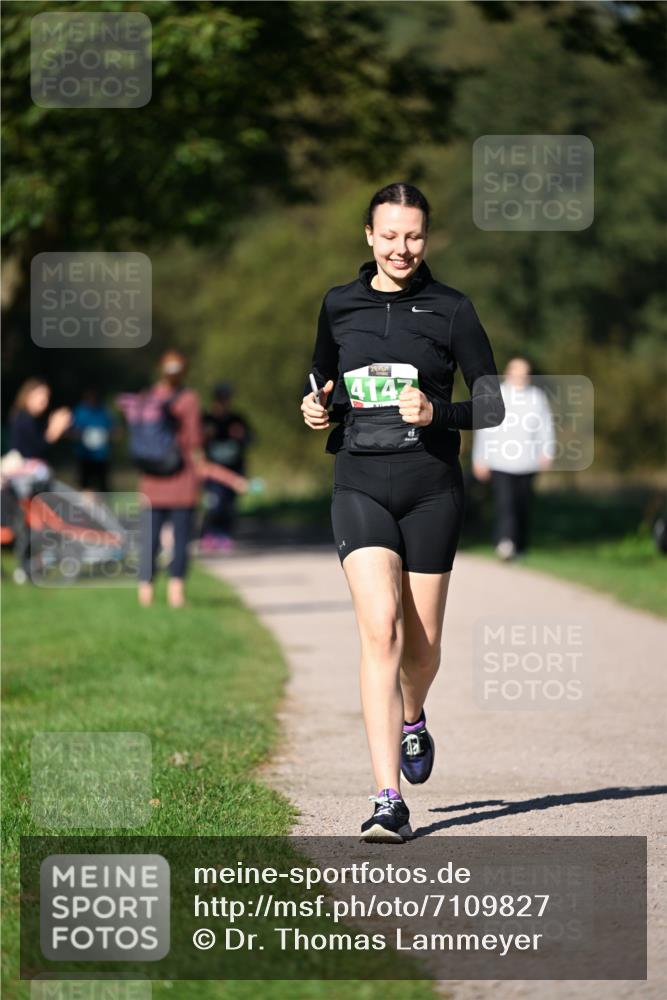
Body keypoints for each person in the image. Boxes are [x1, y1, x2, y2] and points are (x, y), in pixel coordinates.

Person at [300, 182, 505, 842]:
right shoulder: (337, 304)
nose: (401, 248)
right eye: (388, 235)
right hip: (358, 483)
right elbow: (322, 386)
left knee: (420, 649)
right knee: (380, 630)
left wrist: (438, 412)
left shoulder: (451, 310)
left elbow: (494, 406)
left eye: (412, 236)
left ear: (426, 238)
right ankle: (387, 796)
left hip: (431, 492)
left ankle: (413, 713)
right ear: (367, 235)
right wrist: (314, 409)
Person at [472, 357, 555, 561]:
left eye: (524, 372)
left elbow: (546, 426)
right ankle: (505, 542)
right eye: (517, 372)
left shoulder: (537, 397)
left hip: (528, 461)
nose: (521, 376)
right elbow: (484, 429)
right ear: (509, 373)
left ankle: (521, 546)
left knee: (523, 504)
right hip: (500, 461)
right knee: (505, 503)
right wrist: (479, 457)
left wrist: (548, 451)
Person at [200, 382, 254, 553]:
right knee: (214, 503)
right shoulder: (207, 420)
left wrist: (242, 436)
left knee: (229, 505)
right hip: (213, 471)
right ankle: (210, 534)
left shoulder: (237, 420)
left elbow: (251, 440)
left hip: (234, 468)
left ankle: (224, 535)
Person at [8, 378, 72, 460]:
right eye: (40, 394)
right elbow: (31, 453)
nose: (44, 399)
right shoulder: (23, 418)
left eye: (47, 396)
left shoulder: (36, 419)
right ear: (28, 395)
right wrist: (53, 431)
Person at [71, 388, 116, 493]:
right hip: (84, 456)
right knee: (84, 487)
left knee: (103, 488)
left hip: (101, 457)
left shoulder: (104, 411)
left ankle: (102, 508)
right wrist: (84, 435)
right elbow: (71, 431)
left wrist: (105, 435)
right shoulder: (79, 411)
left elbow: (115, 431)